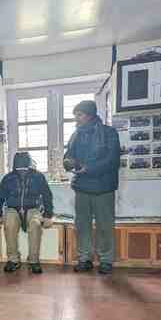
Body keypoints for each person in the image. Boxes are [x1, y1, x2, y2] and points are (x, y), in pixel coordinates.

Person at [63, 100, 120, 275]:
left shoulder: (109, 133)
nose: (76, 119)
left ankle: (106, 260)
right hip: (81, 187)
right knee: (82, 225)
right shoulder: (75, 134)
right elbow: (68, 156)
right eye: (76, 115)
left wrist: (89, 169)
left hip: (103, 188)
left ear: (90, 115)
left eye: (79, 115)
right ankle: (84, 259)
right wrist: (67, 162)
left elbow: (112, 161)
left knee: (105, 225)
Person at [0, 152, 54, 274]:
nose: (22, 170)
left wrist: (48, 215)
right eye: (19, 168)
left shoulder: (38, 176)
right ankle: (13, 260)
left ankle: (33, 260)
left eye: (24, 168)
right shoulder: (8, 178)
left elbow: (47, 196)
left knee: (36, 224)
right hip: (12, 209)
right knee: (9, 224)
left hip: (33, 209)